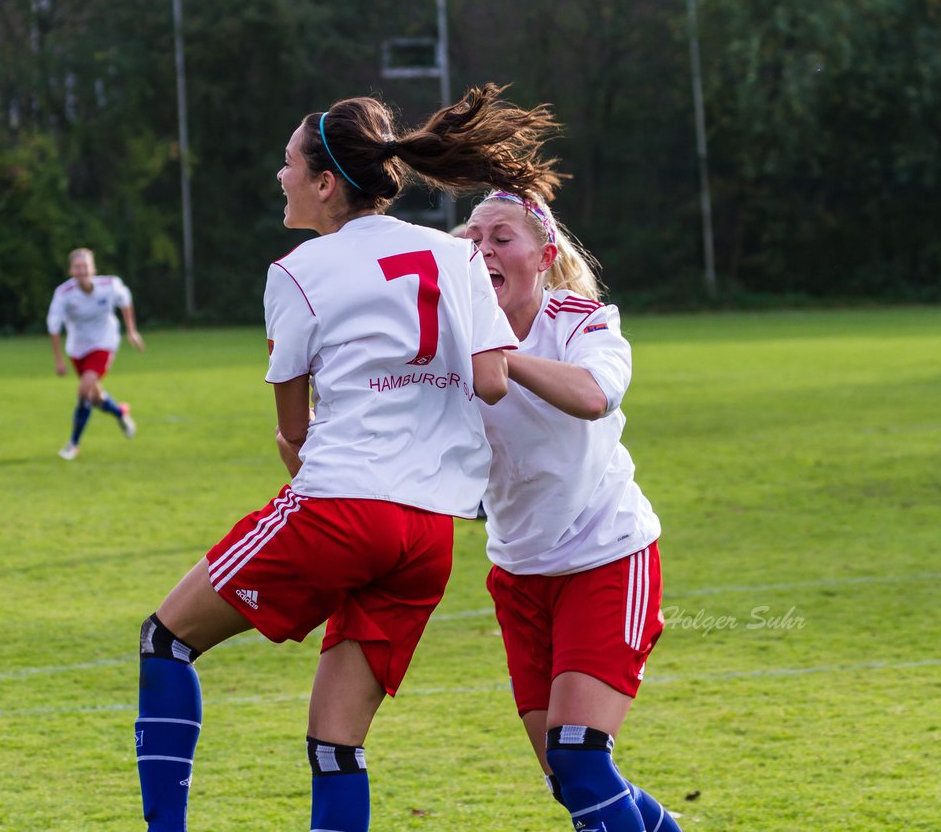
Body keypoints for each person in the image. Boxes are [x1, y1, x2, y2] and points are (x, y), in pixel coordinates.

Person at [132, 84, 562, 832]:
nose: (280, 176)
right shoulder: (454, 256)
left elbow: (293, 436)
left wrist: (312, 468)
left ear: (326, 182)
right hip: (428, 534)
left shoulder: (297, 270)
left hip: (340, 506)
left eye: (289, 163)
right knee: (336, 743)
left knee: (165, 639)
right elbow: (493, 381)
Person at [464, 189, 682, 832]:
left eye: (501, 237)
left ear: (544, 254)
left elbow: (592, 396)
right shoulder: (455, 340)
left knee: (580, 759)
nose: (483, 251)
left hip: (608, 557)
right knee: (570, 781)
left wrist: (501, 360)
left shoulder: (583, 320)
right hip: (518, 573)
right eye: (472, 239)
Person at [45, 248, 144, 460]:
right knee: (95, 396)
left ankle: (73, 444)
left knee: (83, 392)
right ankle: (120, 413)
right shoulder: (63, 294)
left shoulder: (109, 285)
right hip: (77, 347)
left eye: (86, 266)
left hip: (104, 342)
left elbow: (125, 301)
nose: (82, 271)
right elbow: (54, 327)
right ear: (71, 270)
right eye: (77, 267)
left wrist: (131, 331)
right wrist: (59, 360)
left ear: (93, 268)